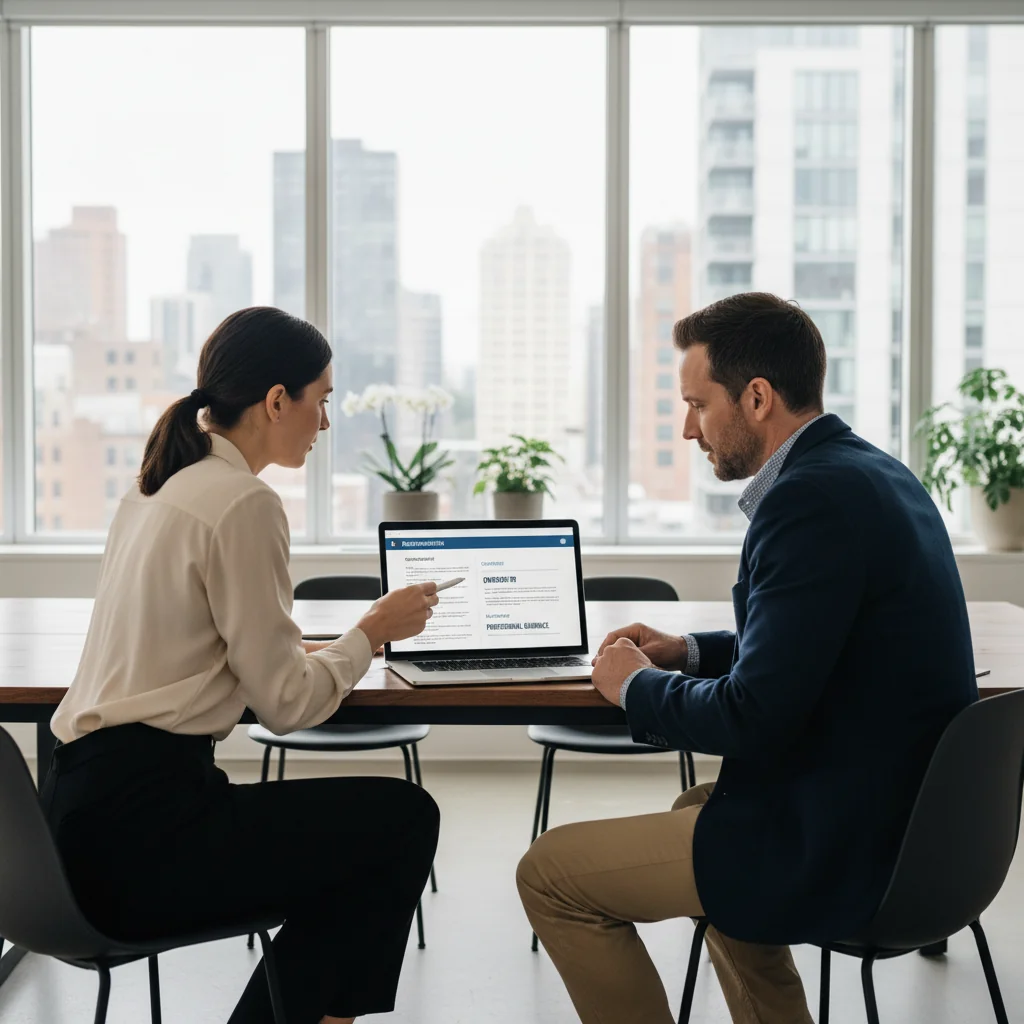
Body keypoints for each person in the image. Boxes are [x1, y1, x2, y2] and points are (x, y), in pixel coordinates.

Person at [517, 292, 977, 1024]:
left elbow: (751, 717)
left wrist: (638, 685)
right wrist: (687, 652)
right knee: (699, 808)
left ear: (757, 397)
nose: (688, 428)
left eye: (698, 404)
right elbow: (819, 641)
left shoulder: (808, 501)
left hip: (846, 842)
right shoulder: (873, 474)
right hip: (917, 832)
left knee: (548, 876)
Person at [42, 306, 440, 1024]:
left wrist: (322, 649)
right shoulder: (243, 503)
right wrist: (372, 633)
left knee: (355, 852)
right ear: (276, 401)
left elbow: (213, 650)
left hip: (78, 822)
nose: (324, 424)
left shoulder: (156, 486)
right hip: (146, 836)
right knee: (400, 822)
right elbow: (287, 707)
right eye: (319, 402)